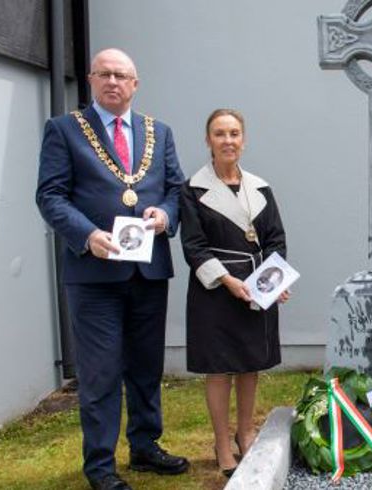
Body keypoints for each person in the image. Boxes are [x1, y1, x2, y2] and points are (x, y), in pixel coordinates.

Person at [36, 48, 188, 490]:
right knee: (100, 373)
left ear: (135, 84)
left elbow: (176, 190)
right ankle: (101, 467)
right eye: (104, 74)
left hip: (148, 270)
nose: (113, 82)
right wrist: (86, 235)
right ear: (90, 79)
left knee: (145, 367)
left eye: (122, 75)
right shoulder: (63, 130)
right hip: (94, 275)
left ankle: (145, 447)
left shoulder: (159, 132)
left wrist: (164, 215)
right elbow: (51, 196)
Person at [180, 109, 289, 477]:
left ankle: (245, 433)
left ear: (244, 140)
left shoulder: (260, 188)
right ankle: (222, 442)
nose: (228, 140)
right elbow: (194, 247)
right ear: (208, 140)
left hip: (257, 285)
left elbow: (275, 240)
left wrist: (274, 283)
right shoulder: (192, 189)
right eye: (220, 133)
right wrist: (228, 281)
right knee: (219, 369)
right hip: (216, 289)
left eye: (234, 133)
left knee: (249, 364)